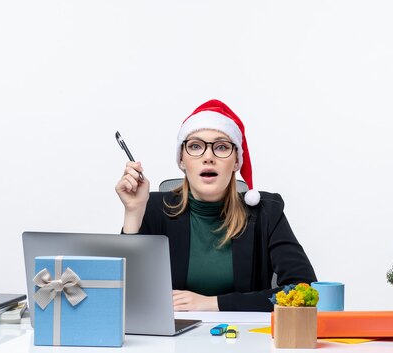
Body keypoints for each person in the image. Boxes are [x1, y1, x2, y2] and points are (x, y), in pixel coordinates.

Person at [115, 99, 317, 312]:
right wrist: (133, 212)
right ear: (182, 160)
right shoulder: (153, 207)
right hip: (171, 341)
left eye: (221, 147)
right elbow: (125, 296)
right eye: (195, 146)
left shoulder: (267, 212)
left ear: (237, 162)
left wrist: (213, 303)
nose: (208, 157)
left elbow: (304, 289)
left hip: (244, 338)